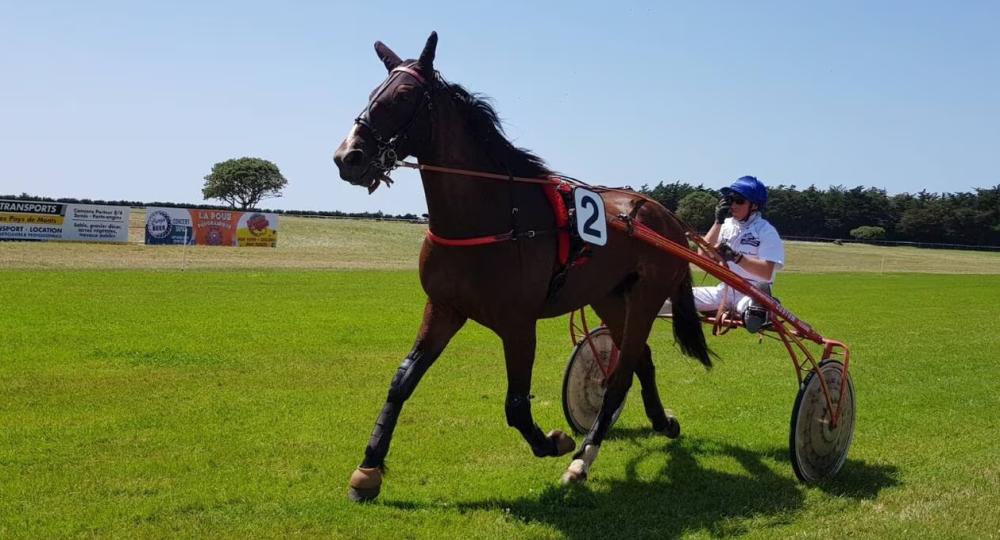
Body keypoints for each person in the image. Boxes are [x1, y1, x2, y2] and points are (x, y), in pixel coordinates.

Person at [660, 175, 785, 332]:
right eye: (730, 199)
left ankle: (760, 309)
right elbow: (702, 256)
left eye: (739, 200)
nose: (732, 205)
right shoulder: (725, 226)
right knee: (665, 298)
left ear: (754, 206)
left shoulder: (766, 231)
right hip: (723, 290)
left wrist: (737, 257)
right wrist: (718, 221)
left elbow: (766, 273)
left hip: (752, 291)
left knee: (749, 309)